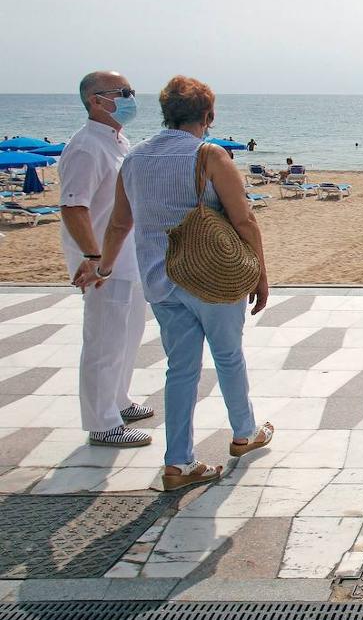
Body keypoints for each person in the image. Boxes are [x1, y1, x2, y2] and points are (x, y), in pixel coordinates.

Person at [74, 76, 273, 491]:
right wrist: (260, 271)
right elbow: (243, 220)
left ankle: (178, 463)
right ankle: (244, 433)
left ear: (166, 113)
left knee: (180, 370)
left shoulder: (136, 158)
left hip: (160, 280)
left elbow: (119, 223)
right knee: (228, 356)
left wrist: (104, 268)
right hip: (212, 277)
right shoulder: (210, 155)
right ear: (208, 115)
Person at [60, 71, 152, 449]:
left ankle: (119, 400)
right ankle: (102, 422)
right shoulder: (86, 147)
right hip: (102, 261)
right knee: (104, 338)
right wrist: (93, 256)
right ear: (97, 100)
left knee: (128, 334)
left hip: (126, 257)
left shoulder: (116, 141)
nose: (131, 98)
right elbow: (72, 206)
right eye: (124, 92)